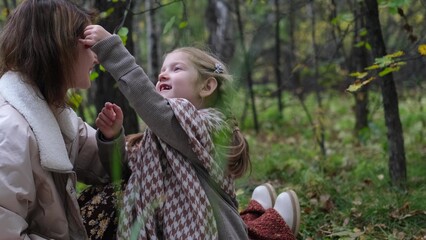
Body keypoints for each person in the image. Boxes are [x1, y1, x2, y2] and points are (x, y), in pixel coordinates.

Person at [81, 24, 300, 239]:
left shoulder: (206, 128)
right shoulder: (157, 137)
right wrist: (112, 138)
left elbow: (152, 107)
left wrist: (111, 49)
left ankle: (276, 225)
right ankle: (260, 213)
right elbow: (122, 172)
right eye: (162, 71)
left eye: (176, 69)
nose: (163, 76)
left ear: (207, 87)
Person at [0, 0, 113, 239]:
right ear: (59, 48)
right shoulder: (9, 129)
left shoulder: (56, 114)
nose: (96, 56)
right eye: (88, 43)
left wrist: (112, 138)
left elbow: (109, 164)